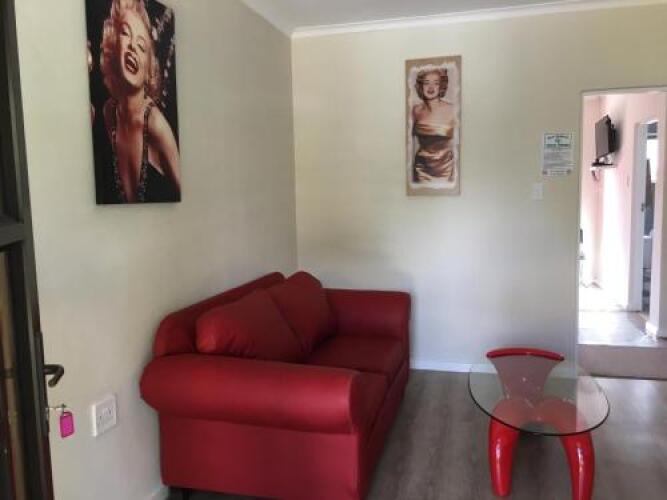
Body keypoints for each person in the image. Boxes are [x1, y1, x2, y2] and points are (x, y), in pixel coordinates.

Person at [100, 0, 180, 203]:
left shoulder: (156, 126)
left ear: (148, 71)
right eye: (126, 33)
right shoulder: (108, 113)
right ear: (113, 45)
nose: (133, 47)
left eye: (142, 46)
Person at [411, 67, 457, 184]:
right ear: (421, 85)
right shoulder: (415, 110)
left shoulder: (452, 110)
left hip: (447, 170)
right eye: (426, 83)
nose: (431, 88)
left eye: (435, 83)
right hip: (421, 170)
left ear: (441, 86)